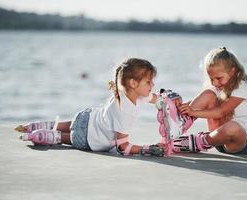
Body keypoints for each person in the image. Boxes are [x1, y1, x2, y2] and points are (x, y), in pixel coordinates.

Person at [15, 58, 165, 156]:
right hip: (88, 139)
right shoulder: (125, 112)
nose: (152, 85)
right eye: (148, 82)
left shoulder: (129, 92)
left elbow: (157, 99)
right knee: (61, 138)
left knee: (58, 125)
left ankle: (30, 127)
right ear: (133, 83)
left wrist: (171, 101)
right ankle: (33, 135)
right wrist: (147, 149)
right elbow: (122, 147)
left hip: (86, 117)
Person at [173, 47, 247, 154]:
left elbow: (221, 112)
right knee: (208, 94)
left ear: (232, 71)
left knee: (233, 126)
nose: (214, 83)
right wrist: (186, 107)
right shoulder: (219, 86)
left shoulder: (242, 88)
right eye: (211, 79)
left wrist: (193, 111)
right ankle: (180, 123)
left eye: (219, 78)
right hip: (218, 139)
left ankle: (197, 143)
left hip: (241, 142)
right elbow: (203, 102)